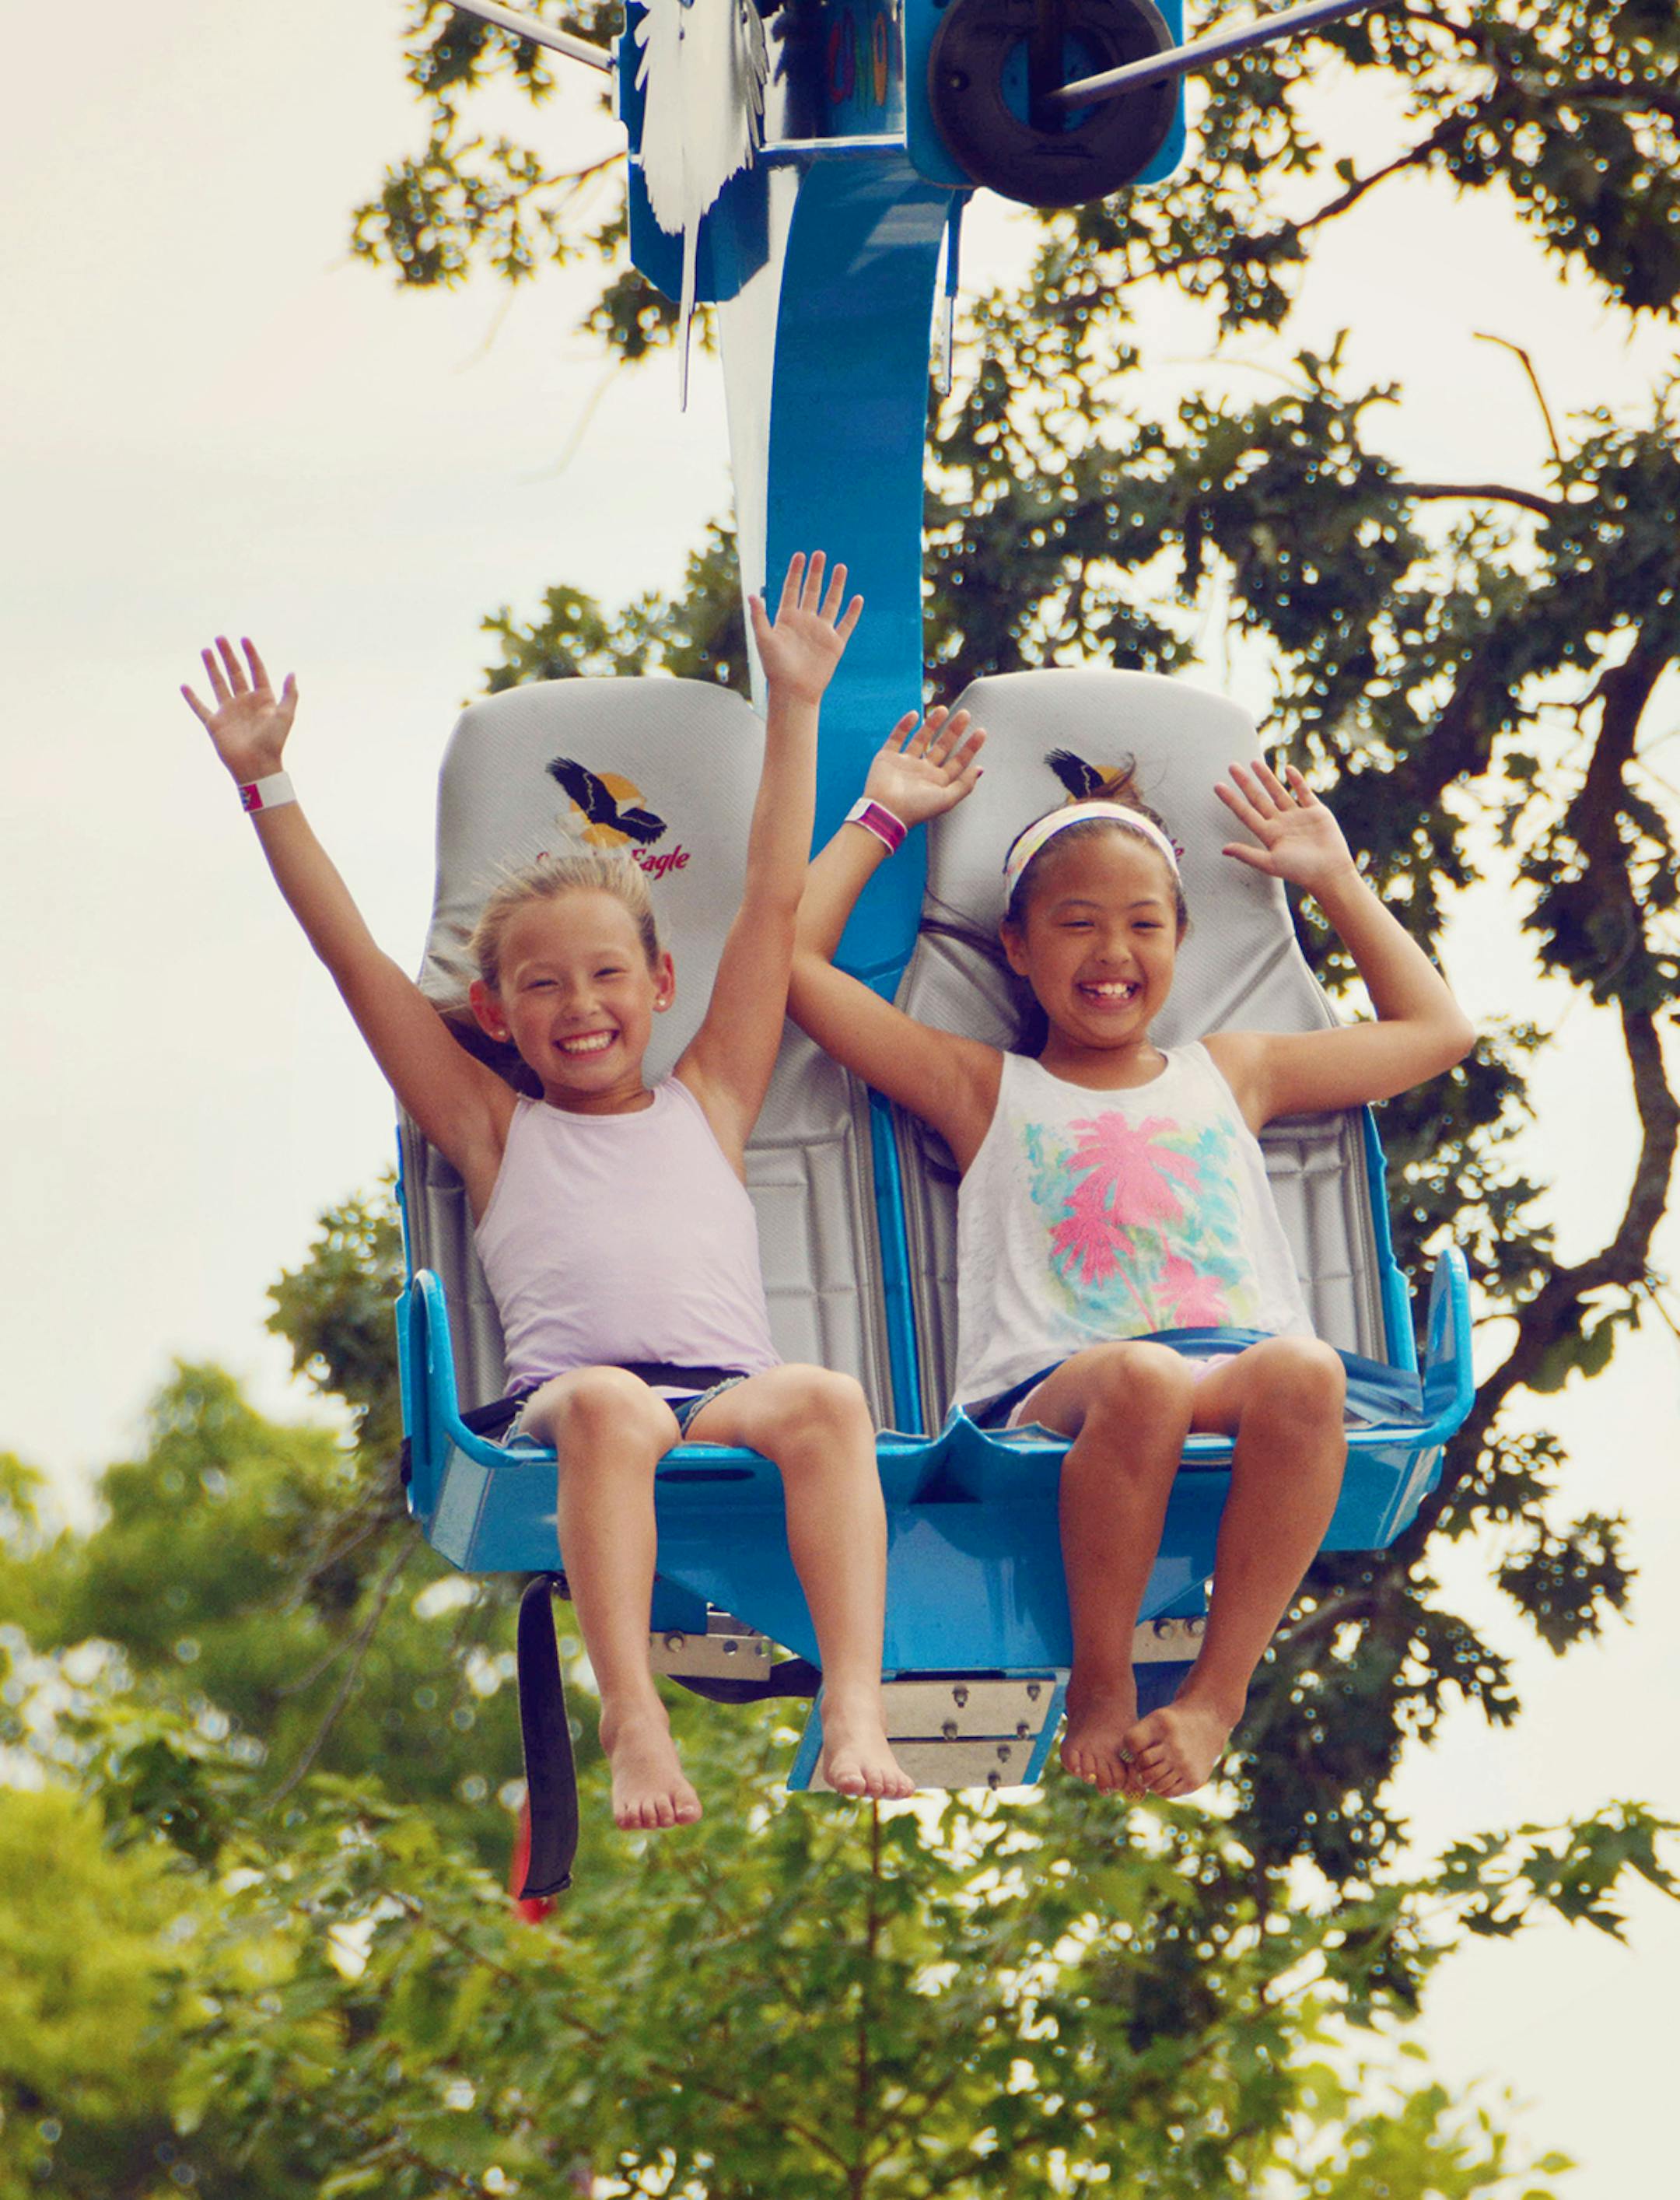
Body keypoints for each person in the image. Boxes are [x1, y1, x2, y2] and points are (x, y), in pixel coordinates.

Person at [181, 553, 916, 1829]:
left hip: (727, 1391)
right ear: (495, 1012)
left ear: (658, 988)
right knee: (615, 1410)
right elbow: (356, 960)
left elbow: (770, 906)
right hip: (571, 1404)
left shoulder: (714, 1097)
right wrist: (267, 781)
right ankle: (633, 1716)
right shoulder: (492, 1127)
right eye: (542, 987)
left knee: (830, 1400)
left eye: (607, 979)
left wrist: (792, 706)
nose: (581, 1008)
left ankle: (854, 1697)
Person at [789, 706, 1475, 1800]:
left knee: (1309, 1369)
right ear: (1015, 947)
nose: (1113, 954)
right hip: (1056, 1387)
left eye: (1144, 925)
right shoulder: (982, 1086)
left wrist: (1334, 881)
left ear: (1180, 940)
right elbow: (793, 967)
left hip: (1234, 1361)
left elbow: (1439, 1033)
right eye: (1076, 925)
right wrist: (884, 816)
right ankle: (1102, 1684)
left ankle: (1214, 1694)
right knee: (1146, 1375)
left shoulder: (1234, 1069)